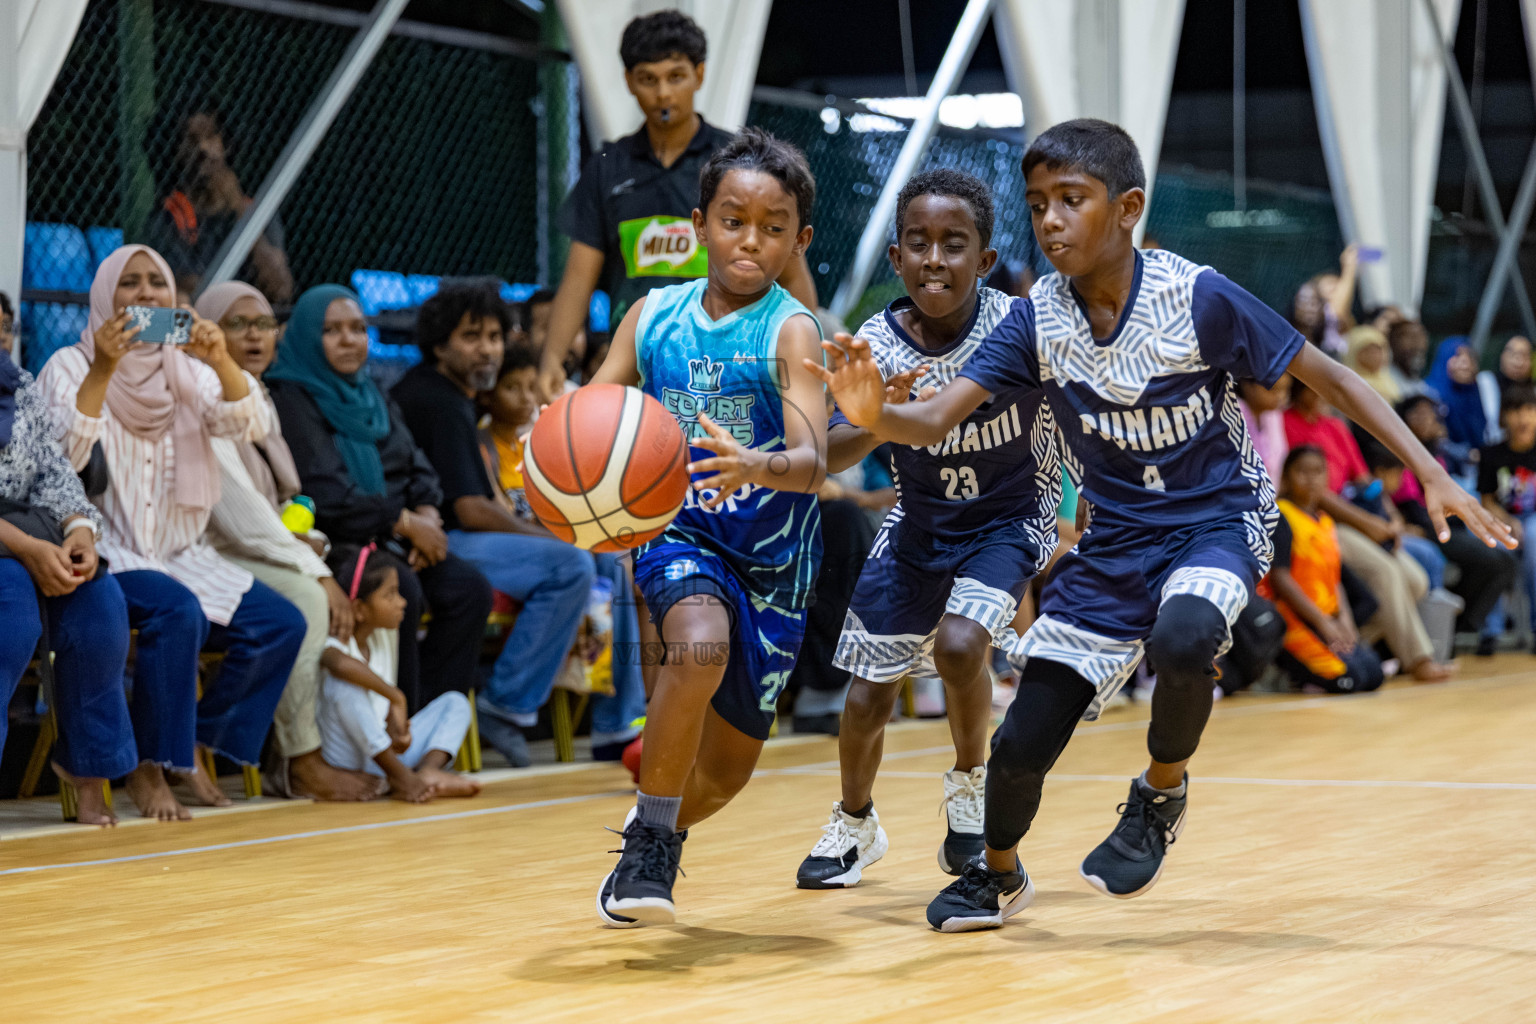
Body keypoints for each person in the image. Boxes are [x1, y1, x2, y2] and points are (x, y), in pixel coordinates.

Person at [810, 118, 1509, 932]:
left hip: (1217, 519)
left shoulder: (1197, 297)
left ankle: (1160, 792)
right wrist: (875, 415)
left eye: (1072, 200)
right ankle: (996, 874)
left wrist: (1430, 471)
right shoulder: (1034, 322)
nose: (1051, 221)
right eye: (1037, 204)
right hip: (1116, 541)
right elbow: (933, 420)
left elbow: (1335, 379)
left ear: (1128, 208)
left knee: (1184, 638)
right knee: (1022, 741)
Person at [794, 169, 1062, 891]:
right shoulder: (874, 344)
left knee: (961, 644)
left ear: (985, 259)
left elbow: (1078, 404)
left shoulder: (1020, 325)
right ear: (896, 256)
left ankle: (971, 791)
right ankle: (856, 823)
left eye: (954, 244)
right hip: (919, 522)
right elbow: (835, 452)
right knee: (866, 696)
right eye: (918, 243)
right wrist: (873, 414)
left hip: (1009, 518)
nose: (934, 259)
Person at [586, 128, 825, 927]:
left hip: (774, 564)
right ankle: (652, 846)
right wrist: (561, 442)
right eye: (733, 221)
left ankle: (654, 827)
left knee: (724, 776)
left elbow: (813, 460)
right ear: (700, 226)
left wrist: (757, 464)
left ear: (799, 240)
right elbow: (597, 411)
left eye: (772, 227)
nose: (750, 240)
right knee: (697, 643)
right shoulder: (652, 317)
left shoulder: (791, 330)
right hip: (679, 531)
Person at [37, 244, 305, 818]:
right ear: (106, 295)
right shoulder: (69, 365)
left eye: (156, 283)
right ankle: (150, 763)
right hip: (106, 549)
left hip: (180, 553)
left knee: (282, 624)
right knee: (177, 611)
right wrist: (103, 369)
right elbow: (60, 461)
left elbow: (250, 423)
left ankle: (193, 743)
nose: (145, 294)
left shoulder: (185, 369)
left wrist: (221, 360)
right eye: (130, 283)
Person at [393, 280, 643, 766]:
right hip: (437, 542)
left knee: (608, 559)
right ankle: (504, 703)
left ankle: (619, 723)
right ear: (439, 345)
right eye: (471, 337)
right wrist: (560, 537)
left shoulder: (458, 396)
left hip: (463, 536)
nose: (488, 349)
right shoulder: (436, 401)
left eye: (494, 336)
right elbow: (470, 511)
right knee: (570, 564)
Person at [537, 10, 817, 399]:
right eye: (648, 79)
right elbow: (579, 278)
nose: (664, 94)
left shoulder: (738, 166)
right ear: (629, 81)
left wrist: (810, 360)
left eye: (676, 76)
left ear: (699, 75)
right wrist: (552, 359)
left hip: (732, 362)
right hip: (636, 360)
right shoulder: (607, 167)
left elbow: (791, 271)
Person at [266, 285, 494, 718]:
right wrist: (406, 523)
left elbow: (418, 466)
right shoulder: (290, 398)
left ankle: (429, 718)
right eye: (332, 331)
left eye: (357, 329)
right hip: (336, 540)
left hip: (394, 536)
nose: (349, 340)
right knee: (397, 588)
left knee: (468, 590)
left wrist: (427, 517)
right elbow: (325, 492)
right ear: (308, 337)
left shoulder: (372, 394)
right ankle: (392, 722)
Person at [195, 281, 379, 801]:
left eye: (263, 324)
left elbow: (280, 501)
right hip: (213, 549)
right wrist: (316, 570)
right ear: (207, 333)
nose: (254, 336)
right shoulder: (205, 398)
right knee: (307, 598)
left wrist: (311, 544)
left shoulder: (258, 396)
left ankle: (356, 743)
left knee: (377, 584)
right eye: (236, 324)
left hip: (258, 546)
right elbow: (241, 517)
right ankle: (301, 759)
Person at [0, 343, 132, 825]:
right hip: (15, 546)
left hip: (27, 537)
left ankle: (87, 766)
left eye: (3, 328)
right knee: (11, 618)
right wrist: (25, 547)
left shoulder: (18, 385)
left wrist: (79, 529)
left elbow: (54, 471)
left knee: (99, 606)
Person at [1283, 378, 1454, 682]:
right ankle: (1419, 659)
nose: (1321, 393)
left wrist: (1391, 519)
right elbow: (1314, 491)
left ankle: (1356, 642)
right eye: (1314, 386)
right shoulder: (1286, 423)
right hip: (1325, 521)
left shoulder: (1335, 426)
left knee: (1416, 580)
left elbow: (1365, 480)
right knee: (1386, 573)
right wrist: (1368, 524)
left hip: (1359, 516)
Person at [317, 545, 480, 801]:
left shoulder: (385, 636)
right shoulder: (337, 642)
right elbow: (336, 663)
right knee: (346, 686)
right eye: (390, 594)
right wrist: (396, 697)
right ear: (359, 610)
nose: (402, 602)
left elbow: (377, 711)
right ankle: (402, 778)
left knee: (456, 703)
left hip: (383, 754)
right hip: (347, 761)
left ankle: (428, 772)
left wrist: (397, 731)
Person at [1393, 393, 1516, 654]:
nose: (1425, 419)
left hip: (1448, 525)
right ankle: (1455, 626)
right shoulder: (1398, 453)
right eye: (1417, 413)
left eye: (1429, 414)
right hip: (1424, 528)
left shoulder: (1438, 453)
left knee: (1504, 559)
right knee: (1494, 561)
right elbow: (1405, 501)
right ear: (1403, 419)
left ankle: (1460, 624)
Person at [1260, 446, 1384, 694]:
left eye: (1318, 471)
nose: (1311, 479)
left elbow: (1334, 579)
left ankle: (1312, 674)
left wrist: (1344, 621)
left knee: (1373, 674)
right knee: (1351, 679)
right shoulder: (1281, 516)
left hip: (1325, 617)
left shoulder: (1325, 521)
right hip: (1294, 620)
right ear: (1286, 477)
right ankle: (1299, 678)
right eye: (1302, 471)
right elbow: (1280, 578)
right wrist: (1324, 623)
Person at [144, 108, 293, 305]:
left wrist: (239, 209)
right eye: (191, 140)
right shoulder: (169, 216)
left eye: (211, 135)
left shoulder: (255, 211)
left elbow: (280, 288)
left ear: (225, 143)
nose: (204, 148)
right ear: (175, 150)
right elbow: (187, 290)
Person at [1478, 383, 1536, 653]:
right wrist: (1509, 522)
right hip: (1502, 518)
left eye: (1529, 409)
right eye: (1515, 411)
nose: (1522, 418)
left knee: (1534, 539)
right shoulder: (1491, 453)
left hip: (1533, 520)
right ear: (1504, 416)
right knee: (1494, 546)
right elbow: (1487, 500)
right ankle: (1491, 631)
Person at [1426, 337, 1496, 449]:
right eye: (1457, 355)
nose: (1465, 362)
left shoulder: (1481, 392)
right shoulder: (1428, 394)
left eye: (1470, 356)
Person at [1476, 336, 1532, 444]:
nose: (1519, 362)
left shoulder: (1533, 391)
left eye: (1525, 355)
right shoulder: (1484, 383)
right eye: (1512, 354)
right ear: (1501, 356)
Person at [1238, 374, 1291, 483]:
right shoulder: (1234, 411)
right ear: (1247, 386)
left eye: (1284, 389)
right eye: (1273, 389)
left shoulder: (1274, 415)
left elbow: (1279, 458)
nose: (1280, 396)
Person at [1345, 325, 1400, 404]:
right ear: (1354, 353)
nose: (1376, 356)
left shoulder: (1388, 380)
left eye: (1379, 351)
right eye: (1370, 351)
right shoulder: (1350, 383)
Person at [1387, 319, 1431, 398]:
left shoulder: (1424, 386)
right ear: (1392, 342)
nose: (1418, 345)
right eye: (1412, 337)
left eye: (1422, 337)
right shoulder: (1383, 382)